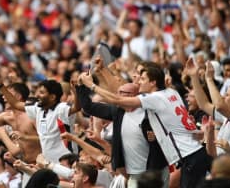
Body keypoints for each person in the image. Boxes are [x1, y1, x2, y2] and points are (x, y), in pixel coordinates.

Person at [80, 58, 209, 188]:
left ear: (153, 82)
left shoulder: (154, 98)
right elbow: (122, 92)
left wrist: (92, 85)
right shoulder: (171, 92)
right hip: (195, 152)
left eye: (142, 79)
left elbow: (118, 98)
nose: (138, 81)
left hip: (188, 157)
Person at [77, 80, 170, 186]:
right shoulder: (117, 111)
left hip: (156, 171)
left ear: (136, 96)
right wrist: (81, 86)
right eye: (118, 92)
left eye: (123, 93)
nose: (118, 96)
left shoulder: (149, 112)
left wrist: (157, 136)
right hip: (133, 174)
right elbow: (89, 107)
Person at [0, 70, 80, 163]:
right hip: (49, 162)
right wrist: (1, 85)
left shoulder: (61, 108)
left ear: (52, 97)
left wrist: (76, 92)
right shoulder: (38, 109)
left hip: (67, 160)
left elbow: (76, 108)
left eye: (42, 93)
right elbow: (16, 103)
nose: (37, 95)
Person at [186, 58, 230, 173]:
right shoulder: (226, 118)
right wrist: (194, 77)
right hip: (219, 174)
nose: (223, 97)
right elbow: (203, 104)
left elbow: (220, 105)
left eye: (227, 95)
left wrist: (209, 79)